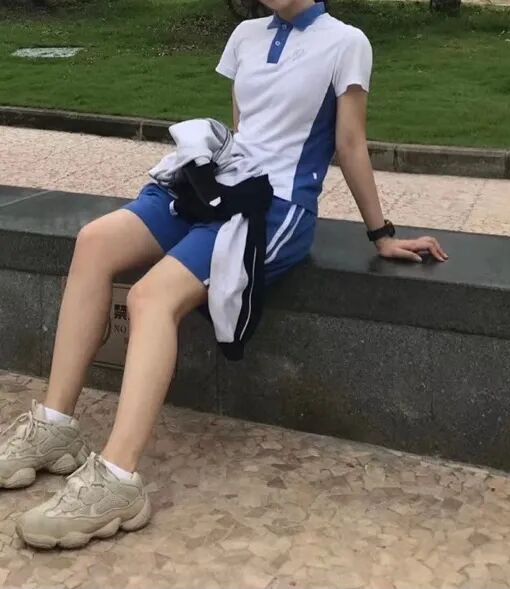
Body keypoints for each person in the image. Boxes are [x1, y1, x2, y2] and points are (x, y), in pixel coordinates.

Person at [0, 0, 447, 549]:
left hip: (278, 209)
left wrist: (382, 234)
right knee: (94, 242)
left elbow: (350, 144)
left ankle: (117, 478)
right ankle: (54, 426)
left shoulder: (346, 42)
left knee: (150, 298)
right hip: (225, 183)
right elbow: (242, 131)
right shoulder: (245, 35)